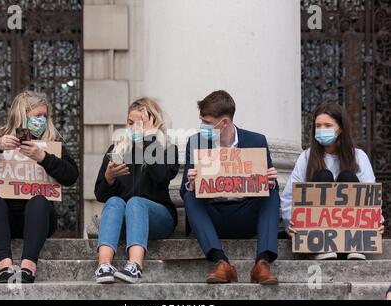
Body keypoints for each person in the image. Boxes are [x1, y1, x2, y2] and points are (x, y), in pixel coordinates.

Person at [0, 91, 79, 283]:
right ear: (22, 115)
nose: (43, 120)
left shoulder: (51, 145)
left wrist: (43, 157)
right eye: (37, 116)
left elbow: (71, 176)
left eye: (45, 116)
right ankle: (4, 266)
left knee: (39, 201)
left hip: (37, 221)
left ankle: (28, 266)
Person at [180, 90, 280, 285]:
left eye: (207, 122)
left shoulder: (256, 141)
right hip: (212, 216)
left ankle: (263, 263)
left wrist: (270, 180)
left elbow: (265, 182)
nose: (203, 126)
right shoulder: (196, 142)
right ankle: (221, 263)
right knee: (190, 196)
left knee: (273, 192)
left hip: (245, 214)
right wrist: (191, 183)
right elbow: (184, 192)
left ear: (224, 122)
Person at [281, 101, 385, 260]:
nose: (322, 130)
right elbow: (289, 196)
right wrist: (293, 225)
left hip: (352, 236)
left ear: (340, 128)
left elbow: (370, 196)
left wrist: (376, 222)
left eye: (327, 125)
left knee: (347, 177)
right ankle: (320, 247)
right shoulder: (307, 157)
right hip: (317, 237)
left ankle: (355, 246)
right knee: (322, 176)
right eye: (318, 126)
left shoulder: (358, 157)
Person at [94, 98, 179, 284]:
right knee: (115, 201)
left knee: (135, 202)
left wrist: (150, 140)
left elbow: (161, 177)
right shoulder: (117, 149)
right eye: (130, 123)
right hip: (124, 221)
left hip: (158, 218)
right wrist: (109, 177)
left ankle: (135, 265)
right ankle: (104, 265)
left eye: (140, 123)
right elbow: (100, 195)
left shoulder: (167, 148)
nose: (133, 128)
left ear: (154, 123)